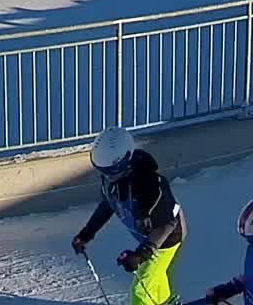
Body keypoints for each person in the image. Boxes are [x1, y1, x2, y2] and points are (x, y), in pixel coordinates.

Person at [70, 126, 186, 305]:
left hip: (166, 238)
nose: (107, 177)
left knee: (141, 290)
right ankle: (166, 302)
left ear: (125, 165)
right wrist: (86, 233)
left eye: (111, 172)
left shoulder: (149, 186)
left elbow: (166, 224)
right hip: (148, 235)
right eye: (103, 171)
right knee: (155, 278)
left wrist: (142, 253)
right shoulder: (111, 179)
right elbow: (109, 204)